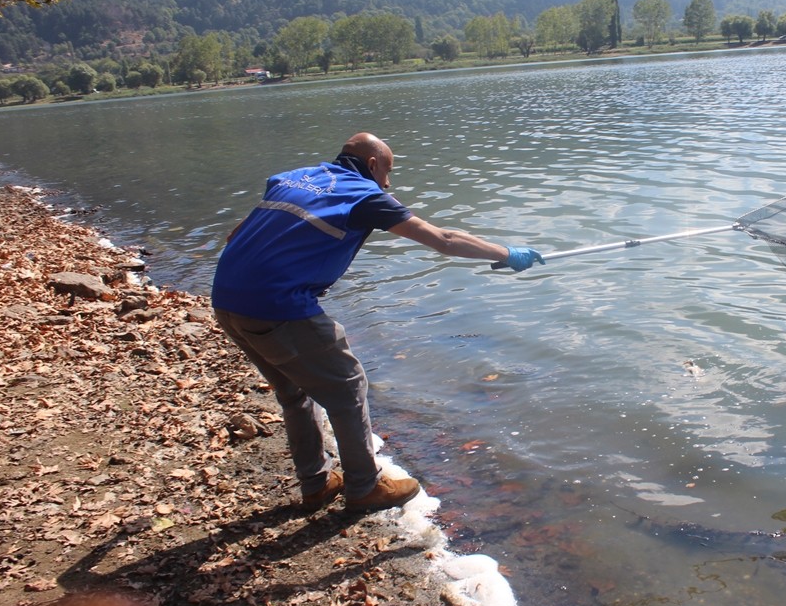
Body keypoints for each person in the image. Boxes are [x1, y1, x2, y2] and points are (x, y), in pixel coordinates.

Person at [211, 133, 544, 512]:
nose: (389, 182)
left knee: (295, 393)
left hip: (225, 299)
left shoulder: (292, 178)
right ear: (372, 165)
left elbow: (234, 235)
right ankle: (364, 488)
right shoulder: (365, 196)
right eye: (388, 171)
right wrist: (507, 253)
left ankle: (316, 484)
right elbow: (445, 239)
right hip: (277, 307)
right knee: (349, 387)